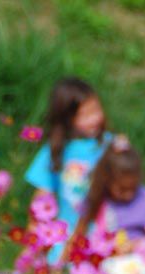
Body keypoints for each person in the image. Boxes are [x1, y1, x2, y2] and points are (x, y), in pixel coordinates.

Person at [24, 78, 112, 264]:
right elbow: (42, 198)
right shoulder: (56, 150)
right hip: (65, 234)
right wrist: (33, 236)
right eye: (85, 114)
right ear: (67, 119)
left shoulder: (110, 146)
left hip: (104, 233)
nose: (95, 118)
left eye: (96, 110)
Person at [70, 137, 145, 274]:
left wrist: (138, 244)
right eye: (122, 189)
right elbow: (78, 236)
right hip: (106, 263)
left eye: (133, 188)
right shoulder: (98, 201)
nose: (129, 194)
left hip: (140, 260)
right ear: (106, 180)